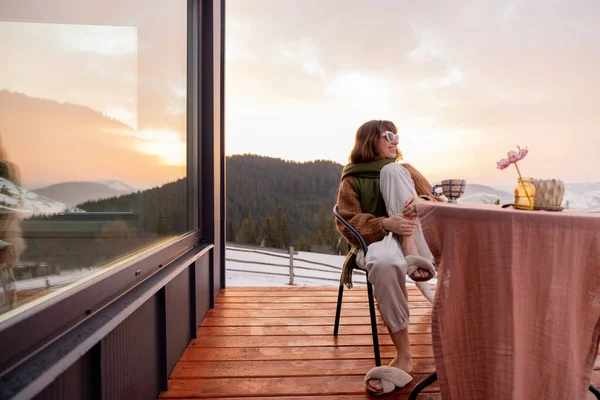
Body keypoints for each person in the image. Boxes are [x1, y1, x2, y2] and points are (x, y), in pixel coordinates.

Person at [335, 119, 442, 395]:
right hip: (376, 240)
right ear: (370, 139)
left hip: (417, 240)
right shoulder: (352, 178)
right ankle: (404, 356)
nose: (395, 140)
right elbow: (347, 220)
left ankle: (410, 249)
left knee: (392, 171)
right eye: (388, 135)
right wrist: (385, 224)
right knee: (383, 264)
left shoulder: (403, 170)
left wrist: (415, 209)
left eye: (396, 135)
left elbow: (432, 201)